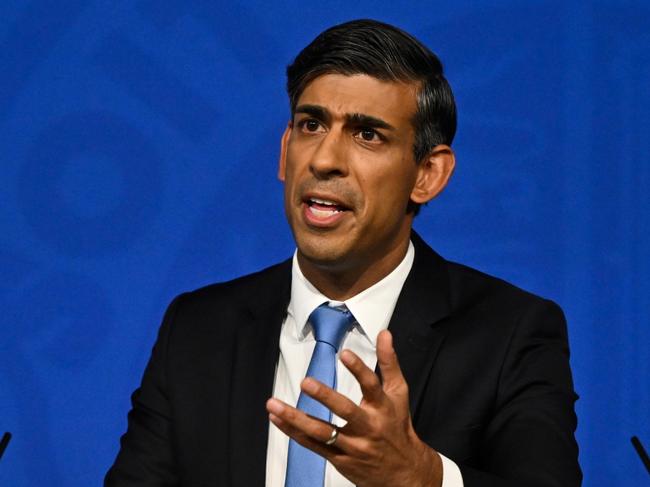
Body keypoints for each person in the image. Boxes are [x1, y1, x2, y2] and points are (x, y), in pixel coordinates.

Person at [105, 19, 581, 487]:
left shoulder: (510, 333)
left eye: (367, 134)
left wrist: (422, 478)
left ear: (427, 174)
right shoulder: (198, 328)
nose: (324, 159)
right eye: (311, 125)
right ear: (285, 149)